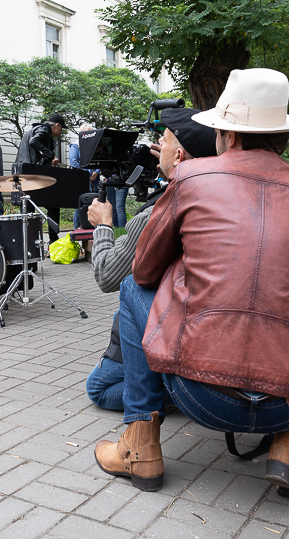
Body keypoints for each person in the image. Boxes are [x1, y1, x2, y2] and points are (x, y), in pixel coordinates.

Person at [93, 69, 289, 504]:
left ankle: (139, 442)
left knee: (132, 291)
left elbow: (142, 274)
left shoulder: (190, 181)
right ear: (284, 137)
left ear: (226, 135)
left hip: (201, 395)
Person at [84, 108, 217, 411]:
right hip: (214, 324)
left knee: (100, 387)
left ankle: (187, 396)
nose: (158, 145)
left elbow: (107, 275)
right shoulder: (217, 193)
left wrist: (104, 225)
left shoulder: (159, 213)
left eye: (164, 141)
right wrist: (169, 168)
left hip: (178, 330)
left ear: (180, 155)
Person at [15, 113, 66, 242]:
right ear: (56, 125)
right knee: (53, 205)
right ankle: (53, 242)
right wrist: (51, 155)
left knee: (28, 208)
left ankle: (29, 243)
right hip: (32, 173)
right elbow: (34, 142)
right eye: (61, 128)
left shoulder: (36, 129)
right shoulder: (43, 129)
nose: (60, 132)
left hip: (25, 172)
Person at [69, 124, 99, 230]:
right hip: (81, 180)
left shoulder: (95, 146)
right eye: (85, 133)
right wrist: (89, 172)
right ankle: (77, 230)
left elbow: (99, 161)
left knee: (95, 205)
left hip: (94, 183)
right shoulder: (75, 146)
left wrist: (96, 172)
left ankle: (93, 230)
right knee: (79, 208)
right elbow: (74, 163)